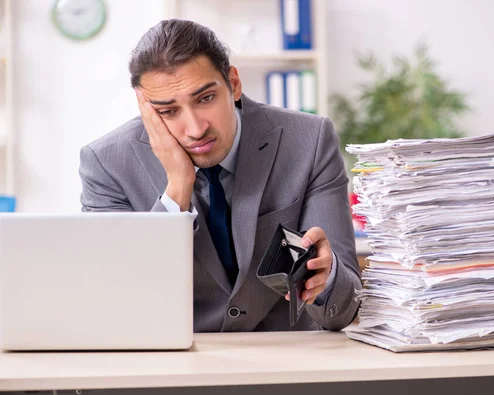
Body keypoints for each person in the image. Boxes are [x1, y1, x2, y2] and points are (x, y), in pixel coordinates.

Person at [78, 19, 361, 332]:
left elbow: (343, 311)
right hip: (173, 366)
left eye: (205, 98)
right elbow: (118, 304)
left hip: (289, 364)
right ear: (145, 109)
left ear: (233, 83)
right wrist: (177, 190)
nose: (196, 129)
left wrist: (328, 274)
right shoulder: (106, 164)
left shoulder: (309, 141)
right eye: (168, 111)